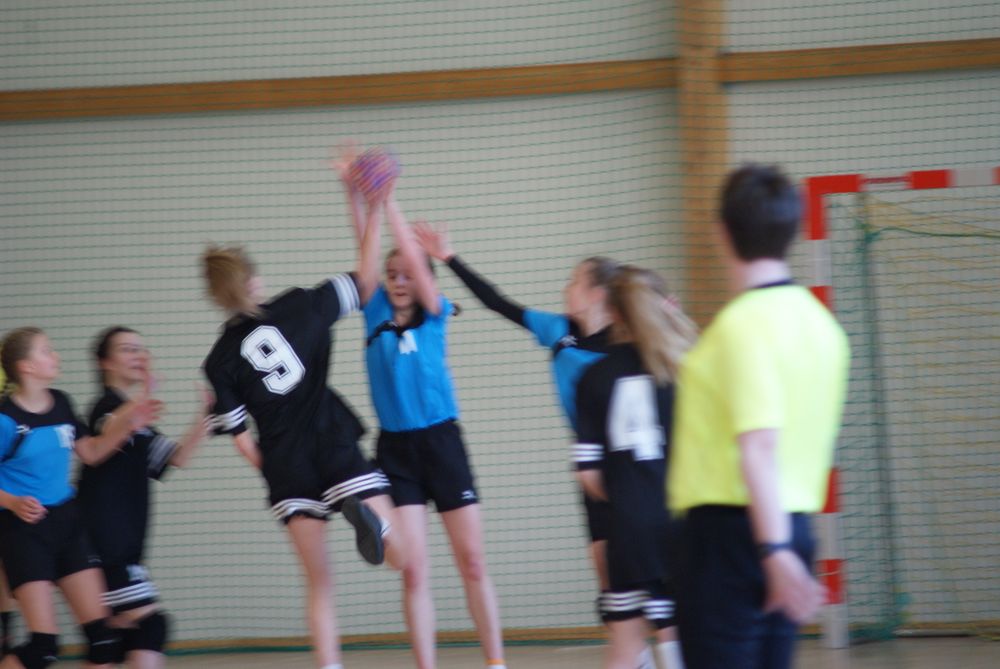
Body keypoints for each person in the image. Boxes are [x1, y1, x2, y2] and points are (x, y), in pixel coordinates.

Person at [415, 224, 680, 664]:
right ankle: (638, 656)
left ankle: (661, 647)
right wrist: (449, 258)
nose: (565, 288)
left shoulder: (627, 350)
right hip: (593, 466)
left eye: (574, 281)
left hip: (635, 473)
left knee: (652, 585)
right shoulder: (557, 330)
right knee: (608, 573)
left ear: (597, 294)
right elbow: (497, 302)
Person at [200, 181, 407, 669]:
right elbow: (367, 279)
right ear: (254, 281)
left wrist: (274, 470)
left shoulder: (217, 362)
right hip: (330, 441)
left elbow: (243, 444)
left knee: (319, 584)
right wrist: (371, 206)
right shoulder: (298, 305)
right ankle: (375, 523)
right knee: (402, 557)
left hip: (285, 467)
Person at [668, 164, 850, 669]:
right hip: (793, 526)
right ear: (792, 231)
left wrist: (772, 550)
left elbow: (759, 445)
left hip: (733, 538)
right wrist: (783, 545)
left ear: (722, 231)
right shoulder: (823, 327)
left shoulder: (741, 327)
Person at [337, 155, 505, 669]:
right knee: (413, 570)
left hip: (441, 442)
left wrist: (389, 200)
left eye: (407, 274)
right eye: (391, 275)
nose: (398, 280)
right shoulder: (375, 313)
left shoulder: (435, 313)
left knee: (471, 562)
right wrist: (356, 196)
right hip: (397, 450)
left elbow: (412, 256)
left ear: (423, 279)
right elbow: (365, 251)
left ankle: (496, 662)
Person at [0, 327, 159, 669]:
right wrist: (12, 501)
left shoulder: (61, 403)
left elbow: (92, 452)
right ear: (26, 366)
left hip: (67, 524)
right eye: (46, 351)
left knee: (103, 640)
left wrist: (130, 424)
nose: (55, 356)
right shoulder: (5, 420)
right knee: (43, 648)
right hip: (24, 530)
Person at [573, 267, 695, 669]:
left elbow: (588, 476)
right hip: (677, 525)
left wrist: (627, 497)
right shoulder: (679, 370)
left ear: (613, 313)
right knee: (678, 638)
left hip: (626, 531)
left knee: (625, 647)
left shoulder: (593, 376)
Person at [77, 327, 209, 668]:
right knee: (150, 626)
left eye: (141, 349)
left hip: (123, 546)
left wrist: (206, 415)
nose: (138, 355)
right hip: (102, 544)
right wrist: (143, 396)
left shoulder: (140, 421)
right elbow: (110, 431)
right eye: (127, 349)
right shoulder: (106, 407)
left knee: (112, 640)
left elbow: (177, 458)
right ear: (105, 362)